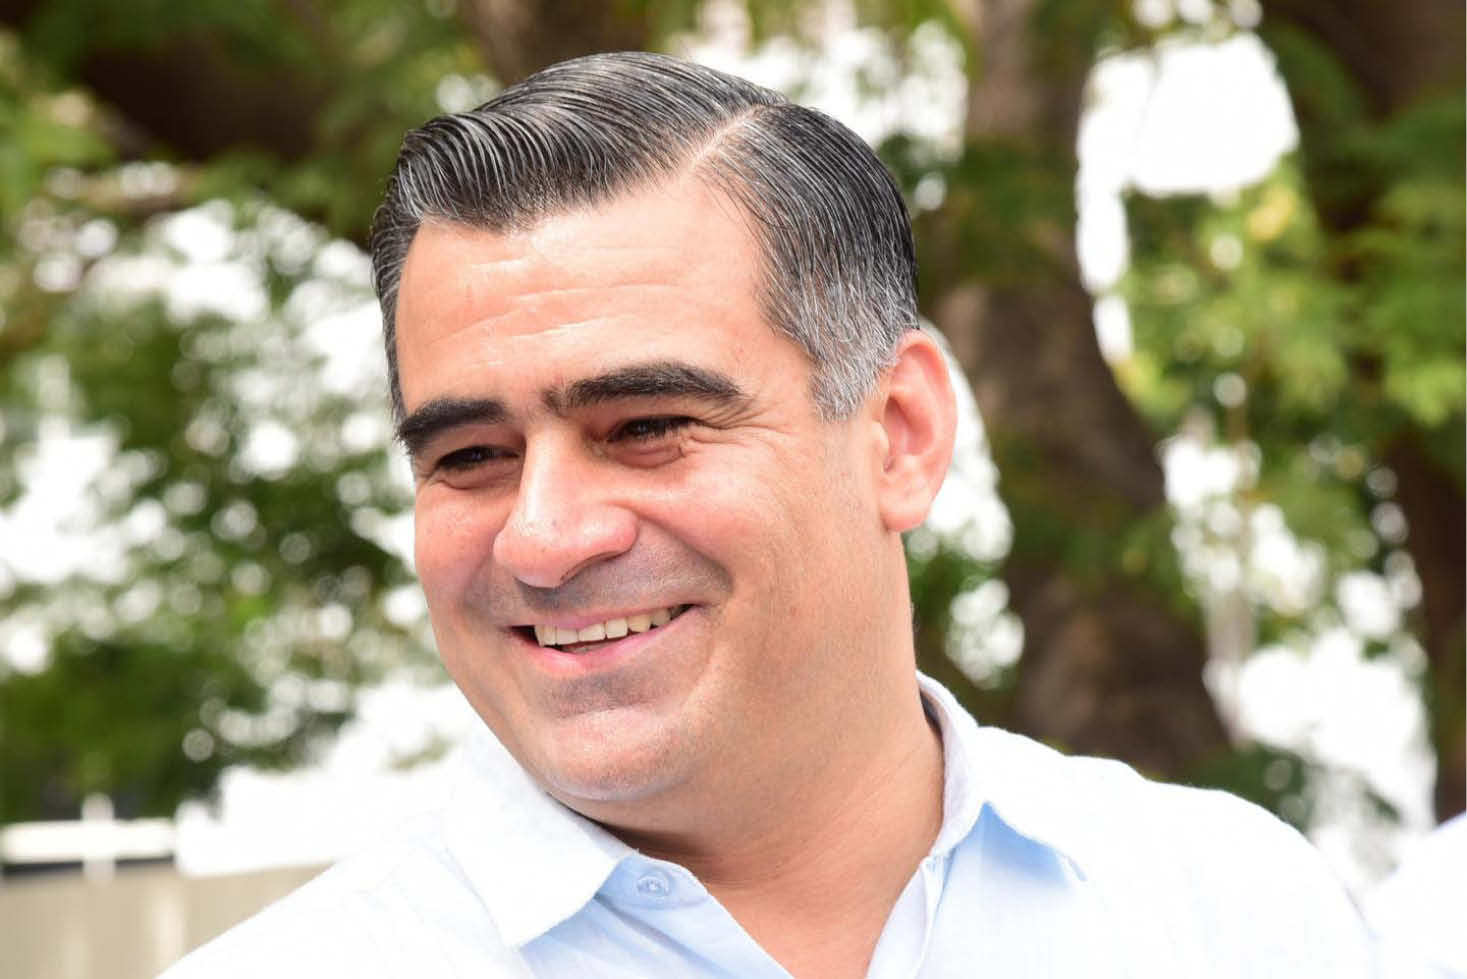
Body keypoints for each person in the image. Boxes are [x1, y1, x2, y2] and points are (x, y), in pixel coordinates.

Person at [163, 52, 1375, 978]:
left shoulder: (1231, 916)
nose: (543, 537)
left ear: (899, 432)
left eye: (647, 425)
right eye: (470, 455)